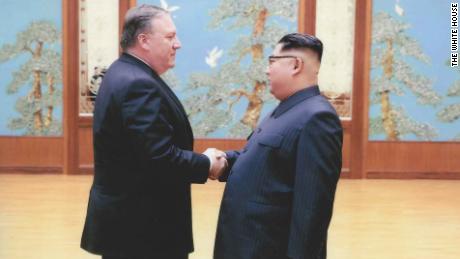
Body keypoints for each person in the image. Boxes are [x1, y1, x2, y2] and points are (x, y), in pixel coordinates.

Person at [80, 5, 227, 259]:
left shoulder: (122, 71)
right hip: (143, 230)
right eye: (170, 37)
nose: (178, 44)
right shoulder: (138, 83)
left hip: (132, 224)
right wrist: (206, 163)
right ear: (144, 40)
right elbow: (158, 157)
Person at [214, 33, 343, 259]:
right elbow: (265, 163)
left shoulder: (317, 117)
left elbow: (311, 210)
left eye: (272, 61)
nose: (267, 69)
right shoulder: (287, 108)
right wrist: (225, 161)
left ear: (295, 65)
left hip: (266, 247)